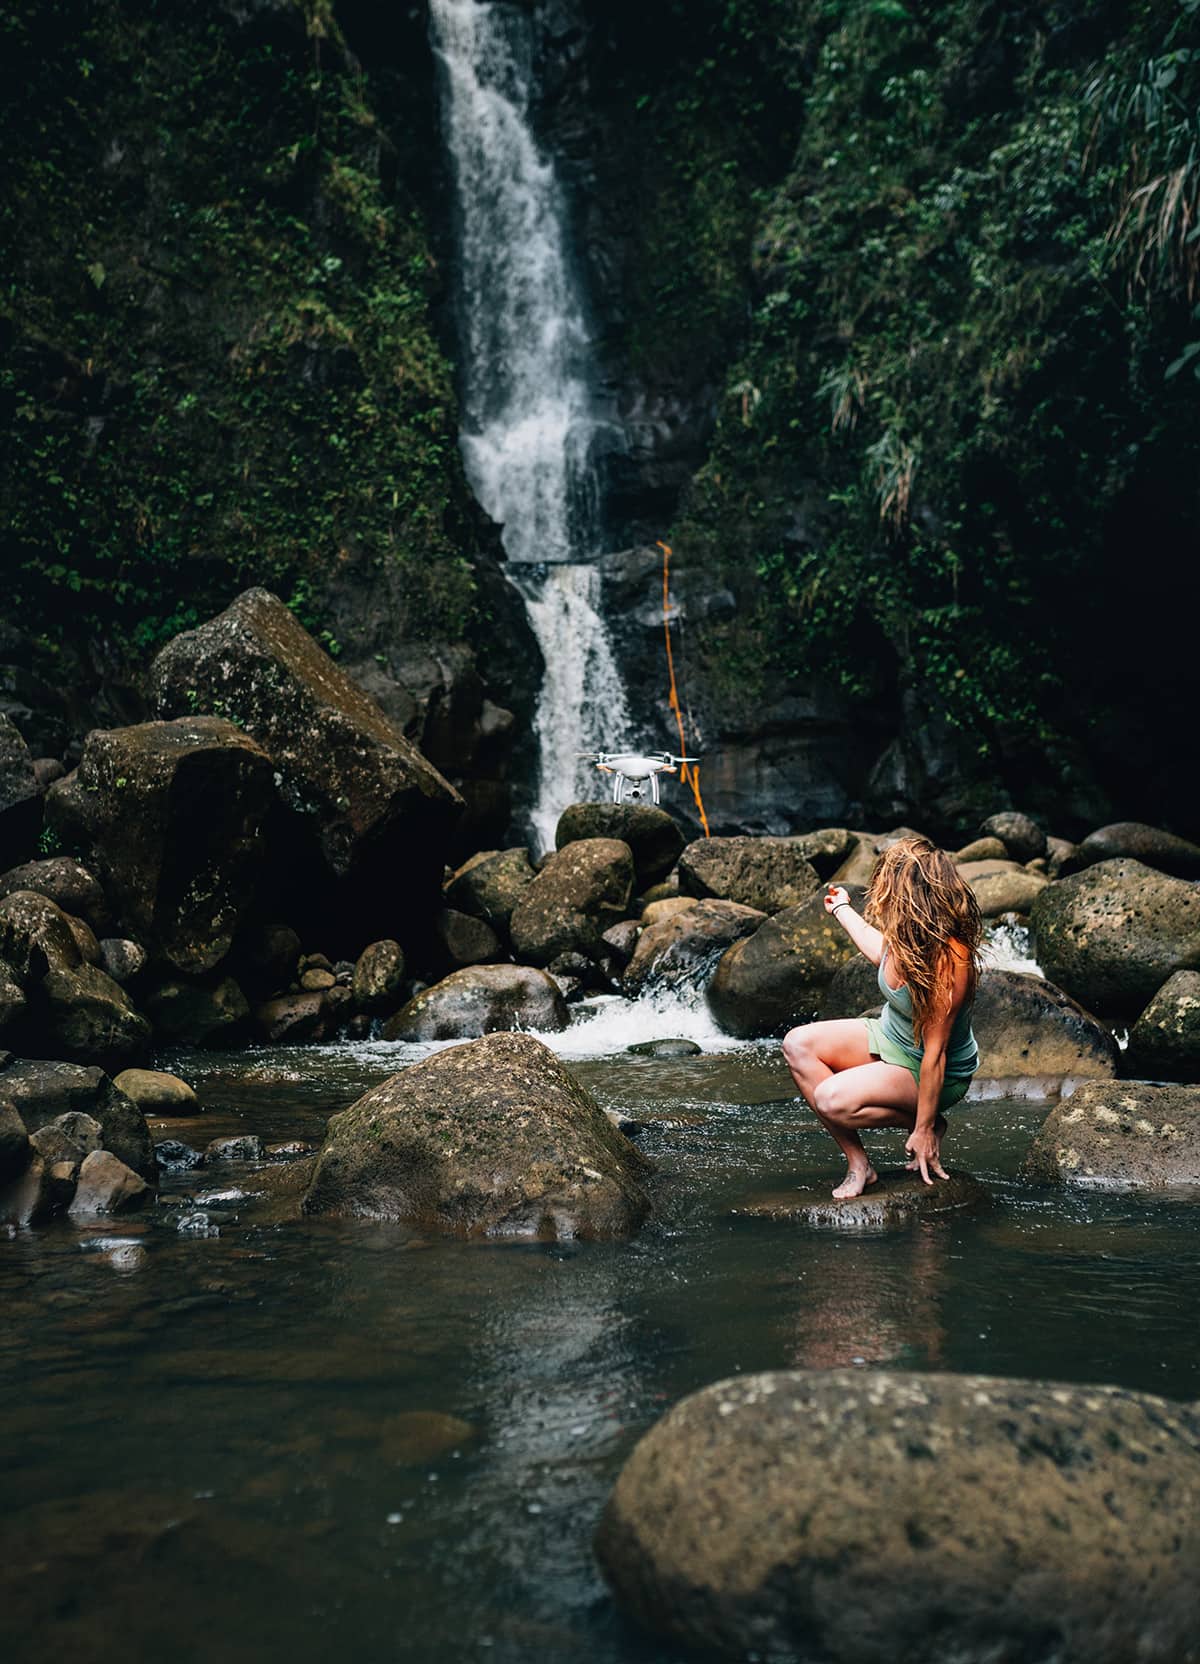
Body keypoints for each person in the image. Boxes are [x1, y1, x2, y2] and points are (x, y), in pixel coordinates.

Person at [782, 834, 982, 1199]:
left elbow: (935, 1055)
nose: (879, 890)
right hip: (890, 1037)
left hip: (933, 1066)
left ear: (907, 893)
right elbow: (880, 953)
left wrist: (921, 1130)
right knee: (797, 1044)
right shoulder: (909, 932)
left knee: (832, 1099)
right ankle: (860, 1165)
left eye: (887, 882)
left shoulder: (950, 958)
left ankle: (930, 1121)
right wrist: (842, 909)